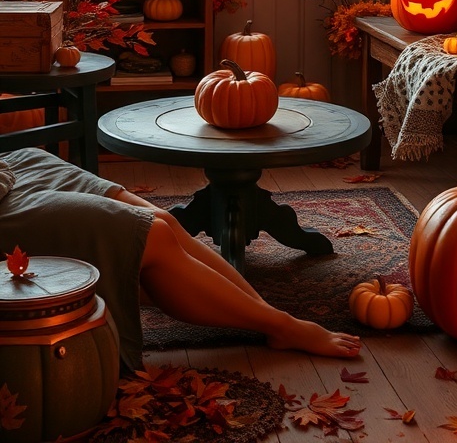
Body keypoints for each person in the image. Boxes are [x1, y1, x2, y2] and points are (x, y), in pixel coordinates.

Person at [0, 148, 361, 370]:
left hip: (11, 168)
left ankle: (264, 314)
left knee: (165, 221)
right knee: (151, 234)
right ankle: (283, 326)